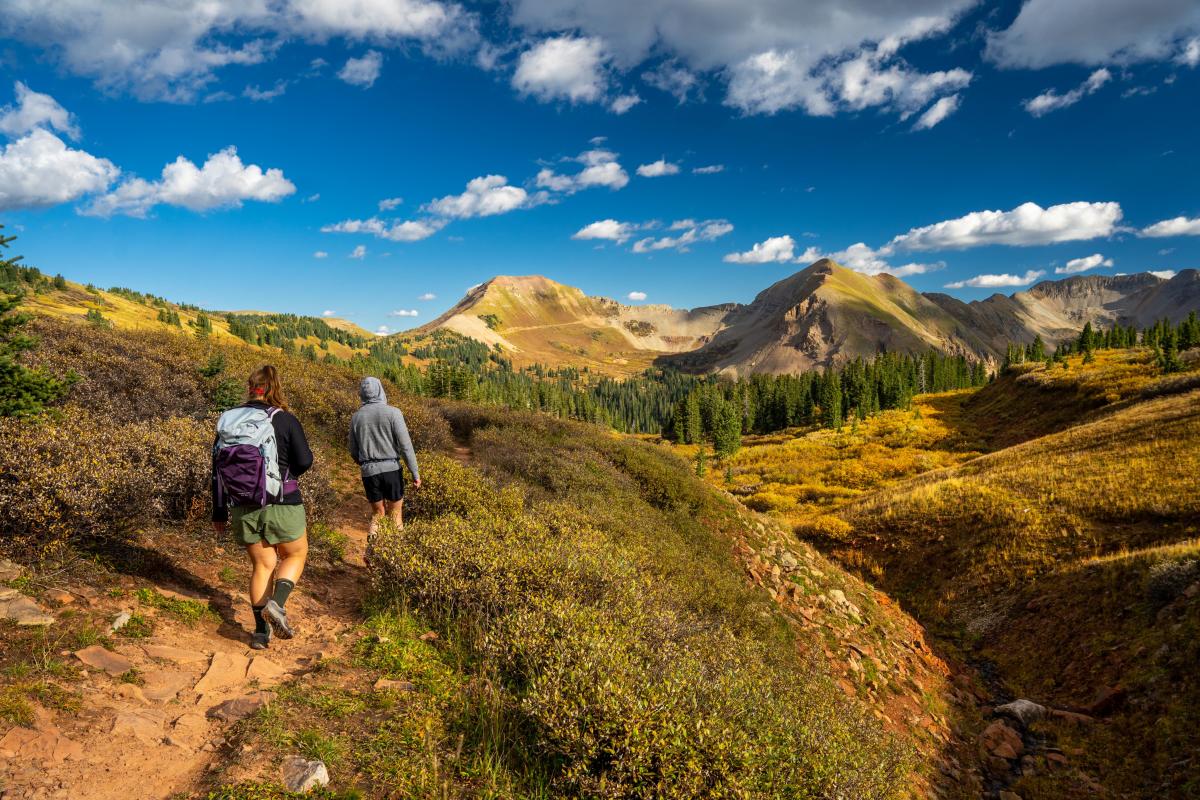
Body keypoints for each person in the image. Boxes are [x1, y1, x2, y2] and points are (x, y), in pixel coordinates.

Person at [211, 365, 313, 650]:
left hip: (243, 506)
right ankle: (277, 604)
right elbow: (305, 460)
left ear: (250, 387)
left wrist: (219, 511)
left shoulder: (228, 420)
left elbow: (216, 469)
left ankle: (259, 633)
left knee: (262, 566)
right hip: (283, 502)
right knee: (295, 554)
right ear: (275, 388)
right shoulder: (285, 420)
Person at [349, 376, 420, 534]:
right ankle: (397, 556)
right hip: (392, 470)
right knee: (395, 515)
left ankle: (371, 552)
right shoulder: (394, 413)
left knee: (378, 515)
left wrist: (364, 464)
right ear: (381, 390)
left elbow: (353, 450)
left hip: (369, 472)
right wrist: (415, 473)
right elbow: (406, 446)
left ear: (362, 393)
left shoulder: (356, 417)